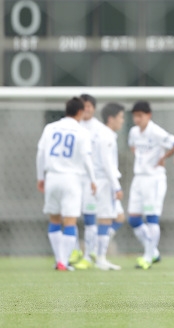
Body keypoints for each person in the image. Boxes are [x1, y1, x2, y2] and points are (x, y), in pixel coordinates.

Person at [36, 97, 96, 271]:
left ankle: (58, 260)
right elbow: (86, 158)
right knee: (70, 221)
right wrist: (93, 179)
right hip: (71, 179)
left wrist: (41, 177)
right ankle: (63, 261)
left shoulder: (50, 128)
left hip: (52, 177)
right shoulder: (82, 132)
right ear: (80, 112)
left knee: (54, 218)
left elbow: (41, 153)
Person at [127, 101, 174, 270]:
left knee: (151, 218)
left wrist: (163, 157)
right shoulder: (134, 132)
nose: (137, 119)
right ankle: (154, 252)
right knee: (133, 218)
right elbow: (132, 146)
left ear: (148, 115)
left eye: (140, 116)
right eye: (135, 116)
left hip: (153, 179)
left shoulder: (156, 131)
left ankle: (148, 257)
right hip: (138, 178)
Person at [92, 102, 126, 270]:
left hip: (104, 181)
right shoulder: (106, 136)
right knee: (105, 219)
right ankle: (100, 257)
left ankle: (98, 251)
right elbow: (107, 164)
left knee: (119, 217)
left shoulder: (106, 134)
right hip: (104, 182)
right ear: (111, 118)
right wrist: (116, 186)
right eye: (120, 117)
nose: (122, 120)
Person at [69, 93, 100, 269]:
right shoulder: (73, 126)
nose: (86, 109)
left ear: (93, 109)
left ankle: (89, 255)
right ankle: (72, 252)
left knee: (89, 217)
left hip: (90, 179)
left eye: (89, 106)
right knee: (70, 216)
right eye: (84, 106)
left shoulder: (99, 129)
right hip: (73, 177)